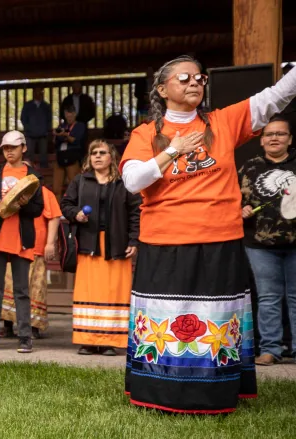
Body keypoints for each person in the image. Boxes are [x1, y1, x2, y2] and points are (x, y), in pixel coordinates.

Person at [121, 55, 296, 413]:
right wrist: (173, 150)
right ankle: (159, 392)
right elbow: (132, 181)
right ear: (162, 89)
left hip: (220, 238)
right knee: (165, 320)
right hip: (165, 241)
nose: (194, 83)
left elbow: (275, 97)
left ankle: (215, 393)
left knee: (218, 319)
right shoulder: (146, 134)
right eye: (183, 78)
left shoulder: (224, 121)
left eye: (199, 78)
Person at [61, 140, 141, 356]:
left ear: (111, 157)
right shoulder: (80, 181)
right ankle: (87, 340)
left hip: (116, 245)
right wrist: (75, 214)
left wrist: (134, 240)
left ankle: (109, 341)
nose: (97, 156)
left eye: (102, 152)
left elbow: (136, 213)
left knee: (114, 292)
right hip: (89, 244)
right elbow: (66, 204)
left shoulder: (123, 183)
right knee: (88, 291)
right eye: (93, 152)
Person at [238, 115, 296, 366]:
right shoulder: (249, 167)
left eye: (280, 134)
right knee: (268, 297)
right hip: (259, 243)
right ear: (261, 141)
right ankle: (270, 349)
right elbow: (232, 198)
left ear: (290, 139)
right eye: (269, 134)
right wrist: (241, 209)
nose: (274, 138)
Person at [0, 130, 44, 354]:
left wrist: (26, 203)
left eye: (13, 147)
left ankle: (25, 337)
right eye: (5, 148)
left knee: (21, 291)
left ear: (23, 148)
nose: (9, 151)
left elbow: (38, 210)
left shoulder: (34, 176)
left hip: (22, 238)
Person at [1, 185, 61, 339]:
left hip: (35, 246)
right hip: (11, 246)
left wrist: (50, 243)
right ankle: (7, 324)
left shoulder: (43, 192)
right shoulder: (9, 188)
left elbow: (54, 216)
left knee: (35, 287)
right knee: (9, 285)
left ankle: (34, 326)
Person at [53, 106, 86, 198]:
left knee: (74, 185)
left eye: (71, 115)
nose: (69, 117)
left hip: (72, 156)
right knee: (56, 188)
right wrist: (56, 135)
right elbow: (56, 142)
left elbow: (76, 141)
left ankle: (74, 208)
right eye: (67, 115)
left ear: (75, 114)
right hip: (60, 156)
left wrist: (65, 135)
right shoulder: (62, 126)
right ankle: (57, 211)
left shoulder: (80, 126)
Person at [20, 88, 53, 168]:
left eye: (40, 92)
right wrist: (28, 129)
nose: (38, 94)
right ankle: (28, 171)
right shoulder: (27, 105)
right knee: (29, 154)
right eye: (36, 92)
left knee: (43, 154)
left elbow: (49, 119)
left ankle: (44, 172)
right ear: (33, 93)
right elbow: (23, 118)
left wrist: (46, 130)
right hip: (30, 134)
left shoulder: (46, 106)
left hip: (43, 134)